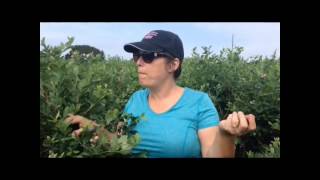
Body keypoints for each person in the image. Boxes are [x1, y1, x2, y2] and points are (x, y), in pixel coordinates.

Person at [66, 30, 256, 158]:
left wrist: (225, 134)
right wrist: (96, 129)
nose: (139, 62)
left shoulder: (199, 102)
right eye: (136, 56)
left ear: (173, 64)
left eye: (148, 56)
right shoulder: (135, 100)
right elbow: (121, 142)